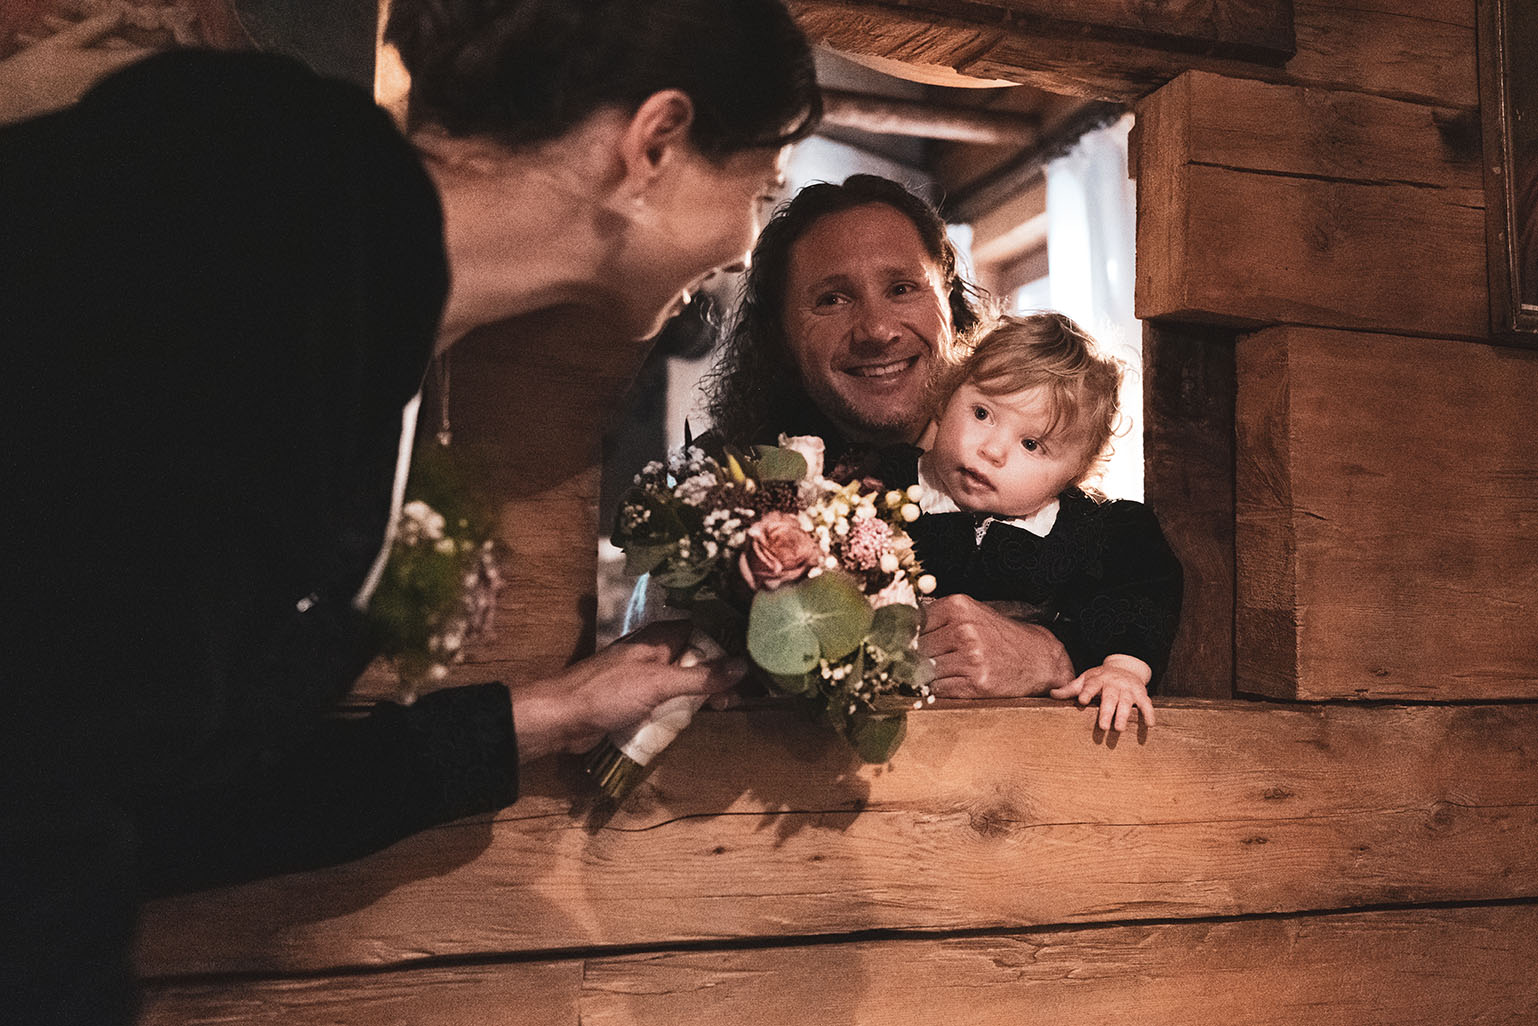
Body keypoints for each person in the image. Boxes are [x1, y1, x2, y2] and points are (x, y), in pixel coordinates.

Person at [0, 2, 819, 1023]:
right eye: (762, 188)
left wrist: (544, 716)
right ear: (654, 142)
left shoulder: (371, 323)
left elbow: (164, 797)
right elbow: (38, 767)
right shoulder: (240, 193)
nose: (748, 242)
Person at [700, 174, 1079, 698]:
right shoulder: (724, 502)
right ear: (780, 337)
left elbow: (1134, 597)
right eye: (832, 299)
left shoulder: (1043, 473)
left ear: (950, 301)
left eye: (902, 289)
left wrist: (1053, 655)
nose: (877, 331)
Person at [889, 313, 1183, 731]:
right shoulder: (881, 484)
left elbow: (1139, 589)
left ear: (1075, 472)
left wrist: (1121, 669)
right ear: (947, 396)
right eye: (982, 413)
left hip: (1023, 740)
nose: (992, 450)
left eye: (1031, 444)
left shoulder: (1087, 531)